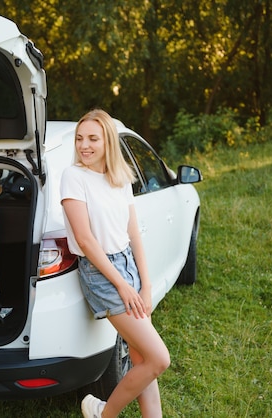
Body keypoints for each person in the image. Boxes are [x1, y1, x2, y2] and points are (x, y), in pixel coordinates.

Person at [60, 109, 171, 418]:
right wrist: (122, 285)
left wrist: (145, 285)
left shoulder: (119, 179)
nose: (85, 145)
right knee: (159, 359)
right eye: (80, 138)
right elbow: (85, 239)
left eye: (93, 138)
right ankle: (103, 413)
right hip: (100, 272)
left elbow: (133, 234)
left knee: (142, 358)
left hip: (127, 265)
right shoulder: (74, 177)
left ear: (107, 141)